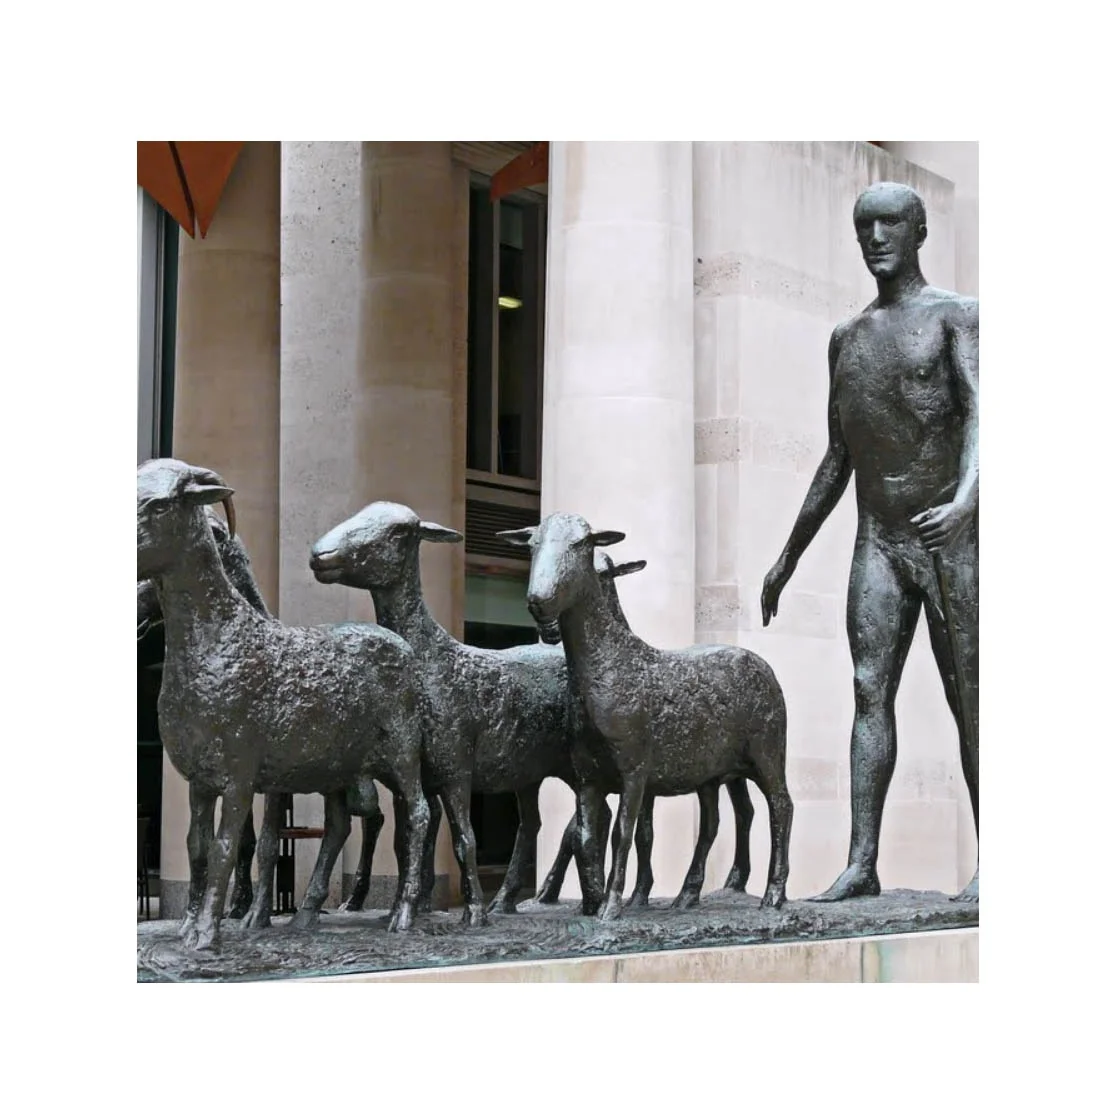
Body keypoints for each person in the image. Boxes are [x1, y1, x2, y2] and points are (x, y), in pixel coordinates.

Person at [761, 181, 978, 902]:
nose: (876, 237)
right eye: (864, 227)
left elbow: (988, 419)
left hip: (949, 537)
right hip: (879, 538)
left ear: (919, 230)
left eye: (889, 223)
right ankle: (862, 860)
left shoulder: (958, 317)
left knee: (970, 697)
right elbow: (836, 455)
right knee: (867, 690)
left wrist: (967, 501)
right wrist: (788, 556)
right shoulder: (847, 340)